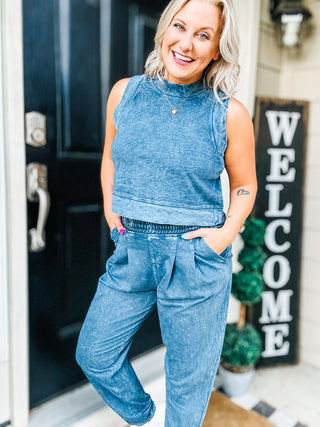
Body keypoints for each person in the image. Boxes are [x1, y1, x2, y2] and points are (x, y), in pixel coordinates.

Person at [76, 0, 257, 425]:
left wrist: (222, 236)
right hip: (133, 248)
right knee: (95, 354)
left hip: (194, 256)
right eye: (180, 26)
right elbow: (109, 158)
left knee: (187, 389)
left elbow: (245, 186)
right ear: (164, 30)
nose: (187, 43)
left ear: (217, 49)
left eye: (203, 35)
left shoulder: (229, 113)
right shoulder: (125, 92)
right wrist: (111, 210)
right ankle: (142, 416)